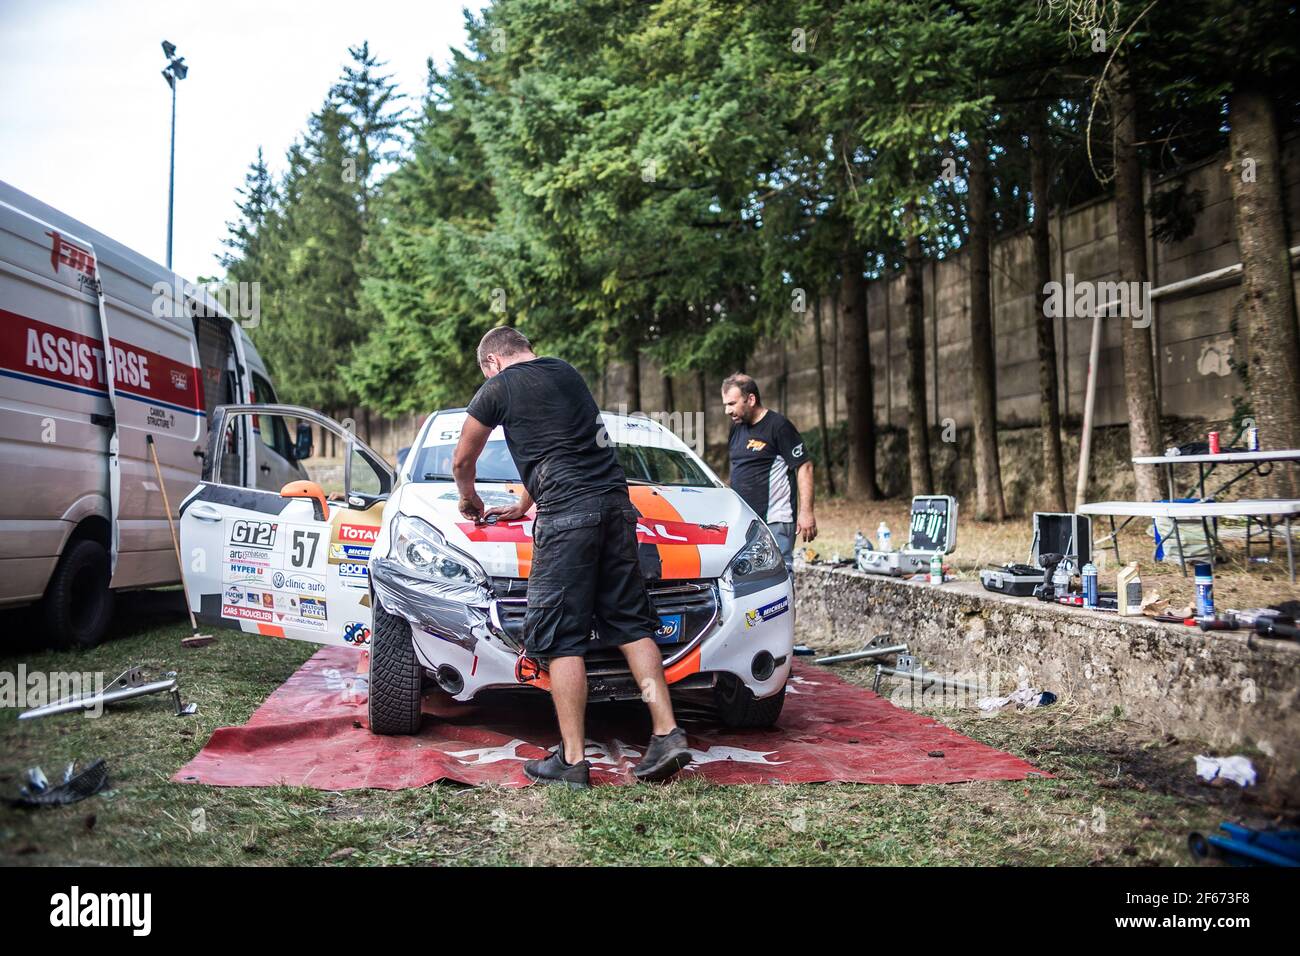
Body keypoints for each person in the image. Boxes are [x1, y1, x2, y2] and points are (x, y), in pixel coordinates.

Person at [452, 327, 692, 789]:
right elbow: (565, 446)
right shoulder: (565, 372)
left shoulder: (496, 387)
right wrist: (524, 503)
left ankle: (573, 760)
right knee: (630, 623)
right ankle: (666, 732)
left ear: (490, 363)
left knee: (563, 637)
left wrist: (470, 500)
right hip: (616, 508)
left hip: (567, 516)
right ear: (526, 350)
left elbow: (464, 460)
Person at [721, 373, 817, 573]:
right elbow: (738, 470)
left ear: (751, 399)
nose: (727, 410)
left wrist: (806, 512)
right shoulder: (736, 429)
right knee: (749, 581)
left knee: (778, 579)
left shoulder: (779, 426)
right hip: (745, 521)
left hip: (775, 520)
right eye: (725, 405)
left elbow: (804, 466)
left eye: (732, 403)